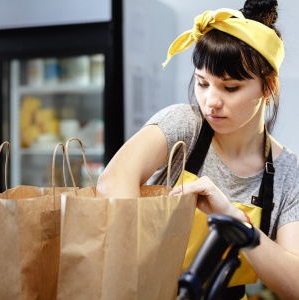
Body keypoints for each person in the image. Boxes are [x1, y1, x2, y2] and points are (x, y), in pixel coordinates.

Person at [97, 0, 299, 298]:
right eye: (203, 83)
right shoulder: (183, 126)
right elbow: (113, 180)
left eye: (230, 88)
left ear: (268, 88)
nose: (211, 101)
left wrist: (233, 219)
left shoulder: (288, 173)